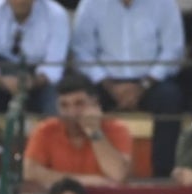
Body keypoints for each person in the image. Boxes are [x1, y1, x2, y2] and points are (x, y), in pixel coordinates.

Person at [70, 0, 184, 177]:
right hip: (104, 81)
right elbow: (82, 51)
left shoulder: (165, 4)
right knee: (80, 100)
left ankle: (162, 174)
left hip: (150, 81)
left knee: (170, 98)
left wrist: (143, 85)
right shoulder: (91, 4)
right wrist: (108, 84)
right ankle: (86, 172)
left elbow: (173, 51)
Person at [23, 70, 133, 187]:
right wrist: (85, 181)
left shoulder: (117, 129)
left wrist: (95, 132)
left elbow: (119, 175)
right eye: (64, 105)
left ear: (94, 103)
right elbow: (29, 172)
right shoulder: (46, 130)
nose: (71, 113)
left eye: (79, 104)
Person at [0, 0, 70, 117]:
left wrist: (33, 82)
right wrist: (2, 81)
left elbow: (54, 67)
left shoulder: (57, 15)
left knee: (55, 100)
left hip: (38, 75)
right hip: (0, 71)